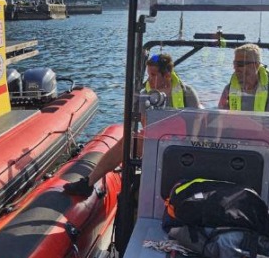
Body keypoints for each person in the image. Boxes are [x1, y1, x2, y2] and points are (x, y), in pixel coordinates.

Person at [63, 53, 201, 198]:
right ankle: (89, 183)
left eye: (153, 75)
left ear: (167, 75)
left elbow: (198, 125)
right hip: (156, 141)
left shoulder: (187, 93)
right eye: (148, 74)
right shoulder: (145, 95)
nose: (150, 79)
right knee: (128, 142)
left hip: (181, 144)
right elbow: (145, 123)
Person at [218, 44, 269, 113]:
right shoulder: (228, 90)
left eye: (240, 64)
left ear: (256, 65)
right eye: (234, 64)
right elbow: (221, 118)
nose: (235, 68)